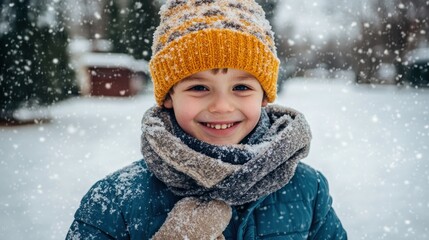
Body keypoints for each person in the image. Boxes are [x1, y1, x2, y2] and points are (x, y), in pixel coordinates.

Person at [66, 0, 347, 239]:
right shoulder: (115, 200)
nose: (222, 106)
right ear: (168, 97)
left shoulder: (308, 190)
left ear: (264, 97)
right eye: (199, 88)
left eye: (242, 87)